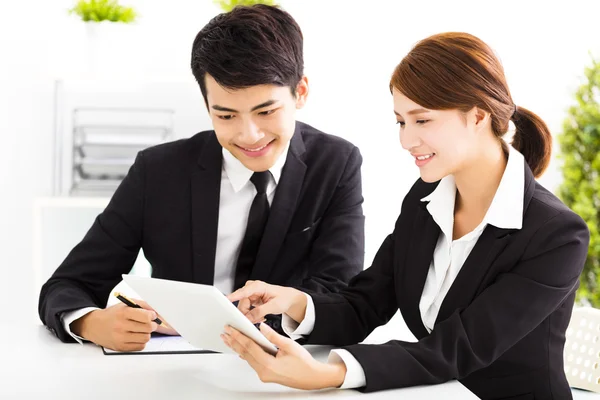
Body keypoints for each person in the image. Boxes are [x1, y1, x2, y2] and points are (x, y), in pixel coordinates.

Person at [222, 32, 590, 400]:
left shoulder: (556, 235)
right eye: (401, 122)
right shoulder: (425, 198)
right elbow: (366, 302)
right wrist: (294, 301)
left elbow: (457, 349)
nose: (406, 140)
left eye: (422, 121)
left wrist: (328, 374)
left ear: (477, 116)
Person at [38, 5, 365, 352]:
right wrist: (90, 322)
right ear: (206, 104)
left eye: (266, 112)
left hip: (285, 365)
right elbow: (67, 284)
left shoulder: (336, 164)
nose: (249, 135)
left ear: (300, 92)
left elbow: (340, 297)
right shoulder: (158, 171)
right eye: (225, 115)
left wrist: (270, 317)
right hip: (168, 365)